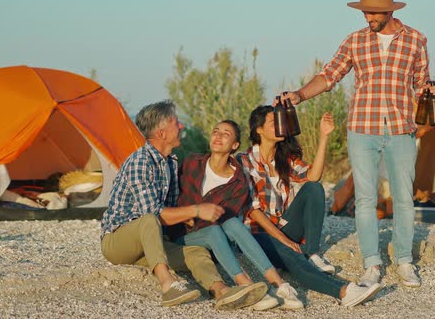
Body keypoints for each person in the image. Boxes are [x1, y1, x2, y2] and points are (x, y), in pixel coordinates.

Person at [280, 0, 435, 288]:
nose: (368, 17)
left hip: (401, 126)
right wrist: (299, 95)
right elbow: (330, 76)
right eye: (365, 12)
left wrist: (430, 93)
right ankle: (372, 263)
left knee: (404, 196)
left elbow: (421, 83)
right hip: (362, 127)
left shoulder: (416, 39)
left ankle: (404, 260)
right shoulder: (355, 40)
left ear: (391, 11)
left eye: (373, 12)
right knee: (365, 197)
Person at [100, 100, 266, 309]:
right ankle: (168, 285)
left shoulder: (170, 162)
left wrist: (191, 219)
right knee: (149, 219)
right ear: (161, 133)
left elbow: (173, 209)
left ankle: (222, 292)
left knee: (197, 251)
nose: (181, 127)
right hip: (118, 242)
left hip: (151, 244)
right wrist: (197, 210)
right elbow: (154, 214)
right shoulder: (141, 161)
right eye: (176, 123)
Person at [237, 105, 382, 307]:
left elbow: (313, 176)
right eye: (273, 122)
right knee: (294, 258)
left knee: (314, 188)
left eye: (280, 122)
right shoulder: (244, 161)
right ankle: (343, 291)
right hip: (258, 235)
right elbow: (252, 211)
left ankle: (312, 253)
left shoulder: (284, 158)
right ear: (258, 130)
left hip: (283, 226)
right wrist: (283, 240)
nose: (280, 126)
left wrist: (324, 137)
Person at [168, 120, 303, 311]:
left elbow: (223, 220)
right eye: (215, 131)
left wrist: (198, 214)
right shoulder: (192, 162)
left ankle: (279, 285)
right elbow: (172, 198)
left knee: (231, 223)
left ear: (235, 145)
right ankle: (245, 286)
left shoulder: (238, 181)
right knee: (215, 229)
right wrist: (188, 214)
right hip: (182, 235)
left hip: (216, 240)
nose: (218, 136)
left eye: (225, 134)